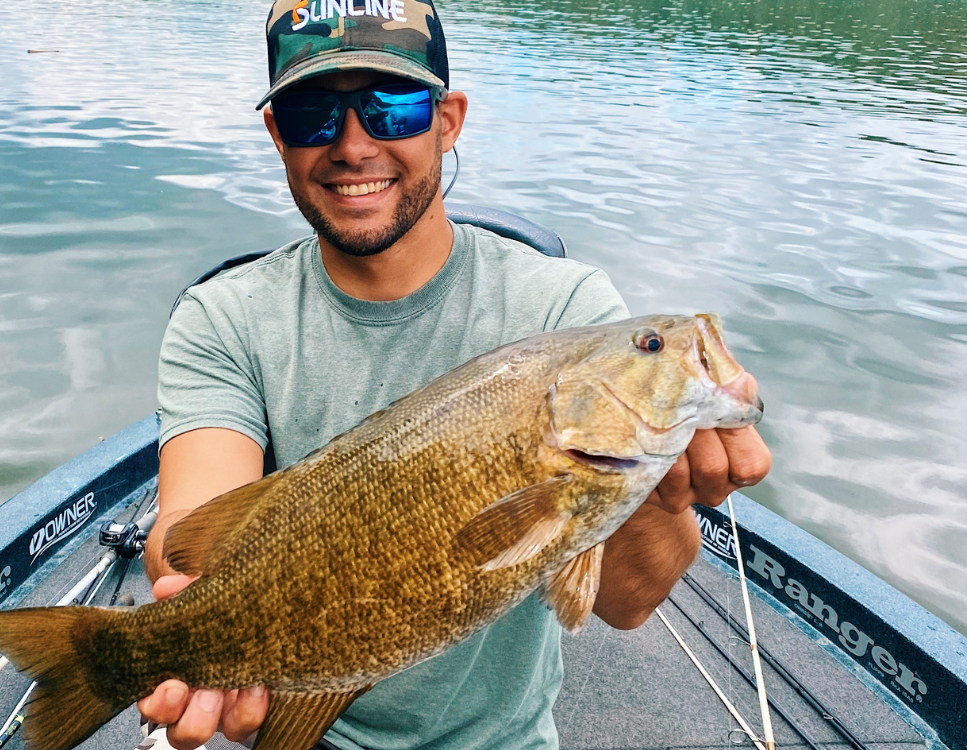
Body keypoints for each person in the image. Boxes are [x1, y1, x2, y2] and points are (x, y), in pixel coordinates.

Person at [138, 2, 772, 749]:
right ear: (278, 134)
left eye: (392, 108)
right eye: (314, 114)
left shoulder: (565, 307)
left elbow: (628, 603)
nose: (352, 144)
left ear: (448, 119)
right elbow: (189, 531)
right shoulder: (223, 317)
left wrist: (660, 486)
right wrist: (194, 610)